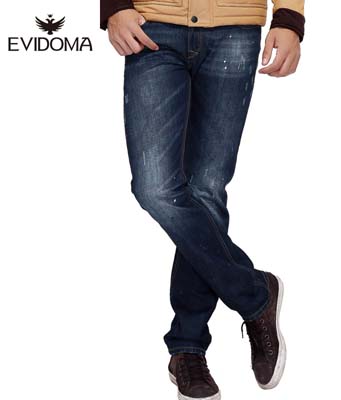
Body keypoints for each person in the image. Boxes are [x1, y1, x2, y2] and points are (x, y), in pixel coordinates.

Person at [100, 1, 305, 399]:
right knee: (154, 188)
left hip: (234, 28)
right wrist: (114, 6)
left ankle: (188, 348)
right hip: (153, 25)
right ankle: (254, 293)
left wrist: (289, 17)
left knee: (206, 191)